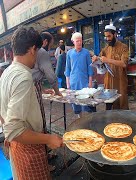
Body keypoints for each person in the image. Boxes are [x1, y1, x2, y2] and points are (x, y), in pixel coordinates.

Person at [0, 27, 63, 179]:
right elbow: (13, 130)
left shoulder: (7, 72)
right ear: (33, 49)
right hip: (28, 150)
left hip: (17, 149)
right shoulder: (23, 76)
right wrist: (48, 139)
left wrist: (37, 93)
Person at [92, 25, 129, 109]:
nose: (107, 39)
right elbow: (100, 59)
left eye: (109, 36)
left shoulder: (124, 47)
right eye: (106, 37)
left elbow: (124, 64)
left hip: (120, 81)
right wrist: (95, 59)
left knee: (121, 105)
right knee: (109, 106)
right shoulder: (105, 49)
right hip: (108, 81)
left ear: (115, 34)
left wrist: (107, 60)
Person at [32, 32, 62, 131]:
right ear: (45, 42)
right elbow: (51, 75)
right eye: (50, 45)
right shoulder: (42, 52)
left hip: (32, 87)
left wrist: (43, 90)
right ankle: (41, 139)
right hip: (31, 90)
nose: (50, 48)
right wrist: (57, 92)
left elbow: (35, 72)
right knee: (37, 119)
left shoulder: (35, 50)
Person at [65, 32, 95, 116]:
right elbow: (67, 69)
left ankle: (89, 120)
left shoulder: (86, 53)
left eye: (80, 40)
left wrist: (90, 82)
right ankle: (79, 119)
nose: (79, 42)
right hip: (73, 82)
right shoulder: (69, 53)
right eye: (77, 41)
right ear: (73, 42)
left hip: (84, 81)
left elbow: (90, 68)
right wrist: (68, 84)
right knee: (76, 103)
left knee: (87, 103)